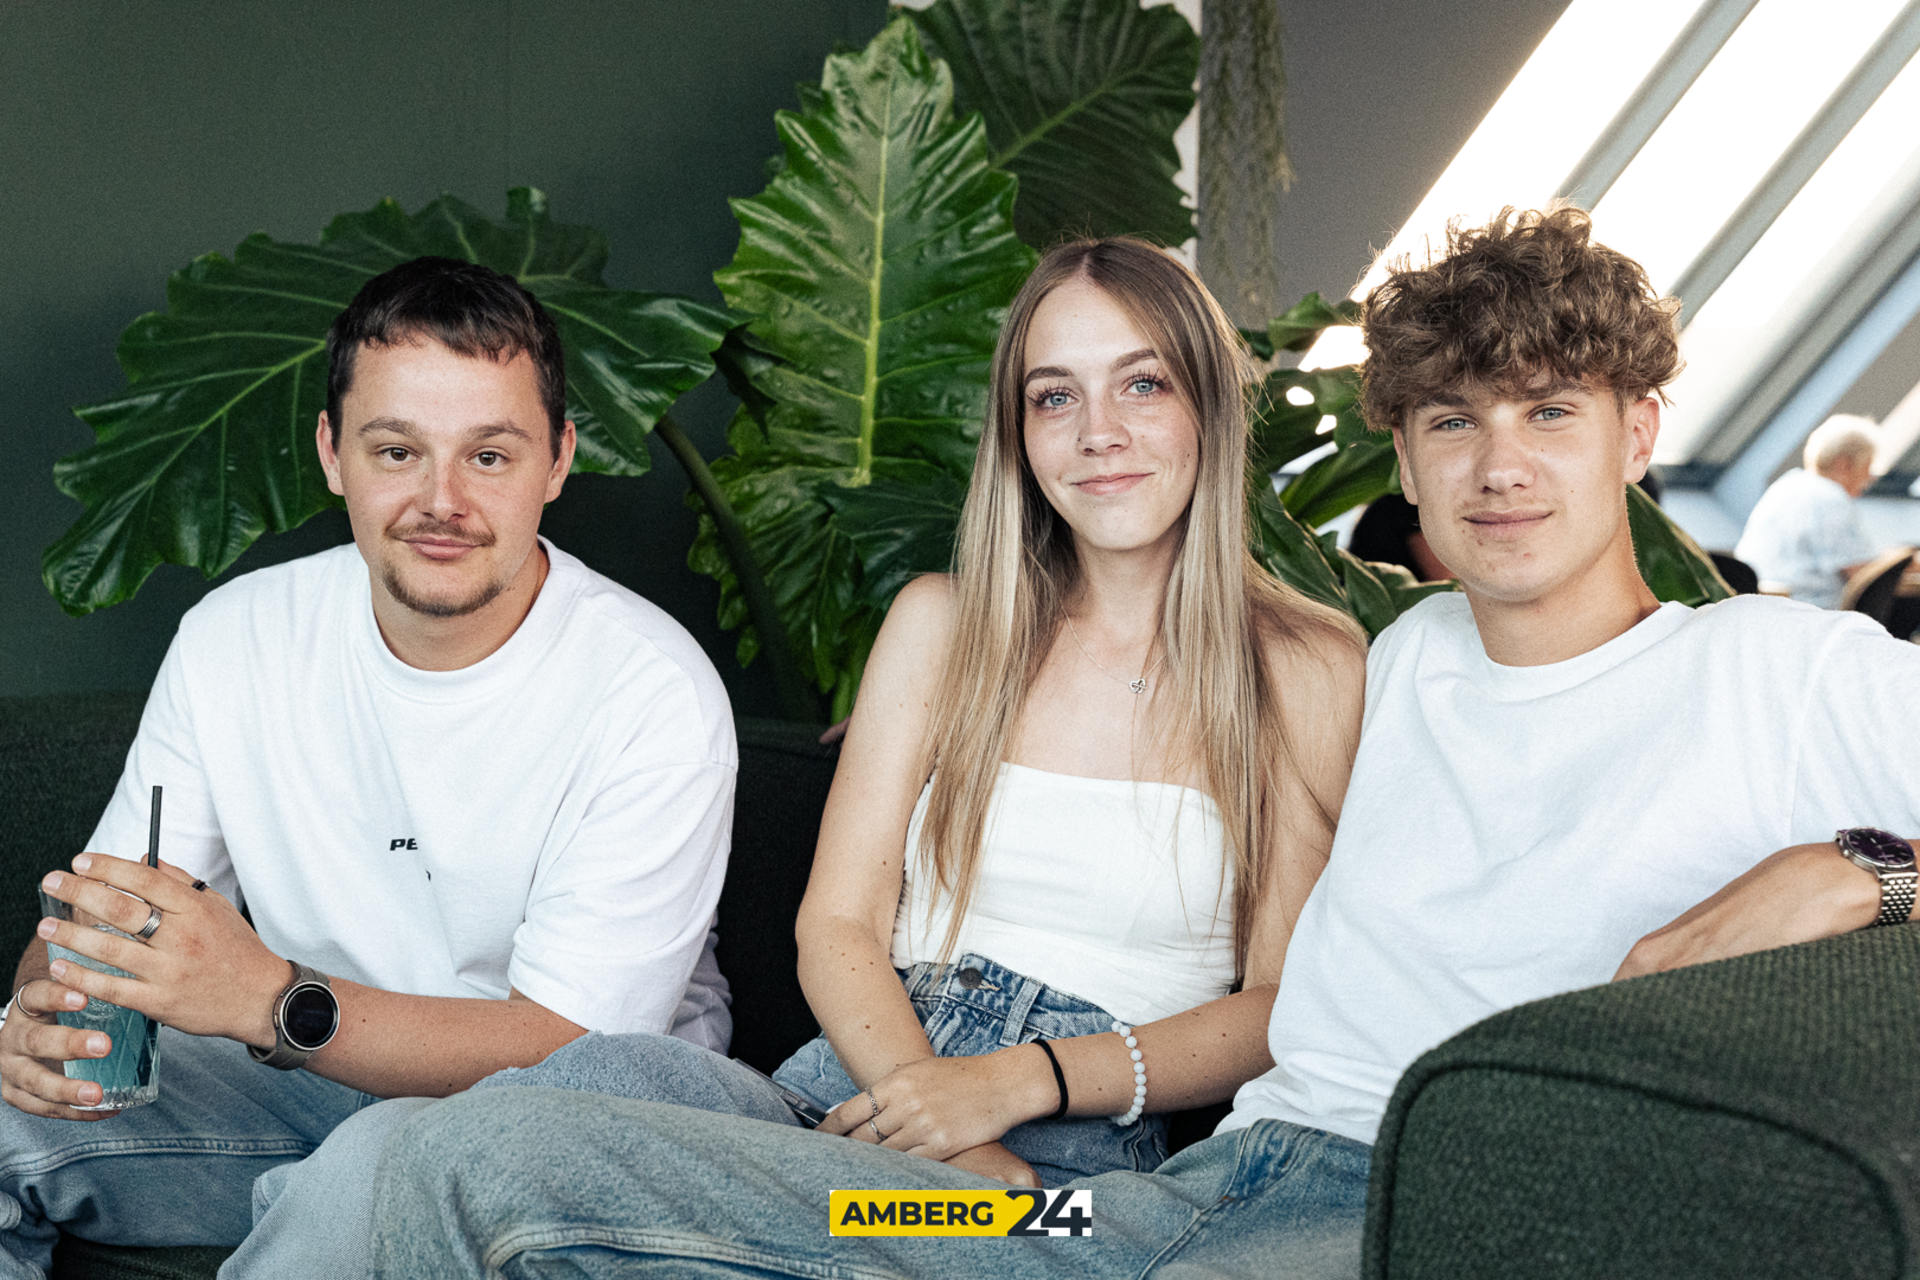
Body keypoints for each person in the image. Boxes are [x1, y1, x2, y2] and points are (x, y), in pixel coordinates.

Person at [366, 208, 1920, 1279]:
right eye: (1452, 423)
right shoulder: (1415, 658)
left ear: (1642, 432)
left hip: (1376, 1210)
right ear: (1404, 451)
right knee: (498, 1161)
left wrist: (1868, 876)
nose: (1497, 467)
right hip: (1146, 1203)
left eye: (1551, 416)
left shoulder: (1783, 669)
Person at [0, 258, 735, 1278]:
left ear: (559, 460)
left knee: (380, 1167)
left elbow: (567, 1042)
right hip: (306, 1082)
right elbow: (107, 921)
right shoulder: (236, 637)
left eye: (491, 454)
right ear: (332, 452)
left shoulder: (650, 687)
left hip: (567, 1120)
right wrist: (43, 1010)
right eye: (397, 449)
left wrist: (267, 996)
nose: (443, 500)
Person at [1734, 413, 1882, 607]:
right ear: (1844, 464)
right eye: (1868, 468)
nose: (1870, 479)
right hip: (1806, 612)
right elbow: (1865, 573)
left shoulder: (1787, 485)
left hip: (1757, 606)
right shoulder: (1830, 498)